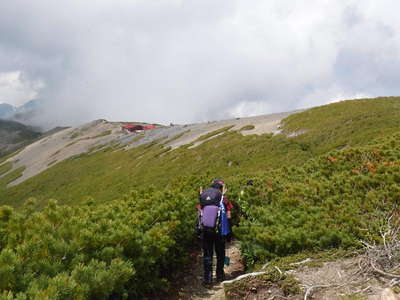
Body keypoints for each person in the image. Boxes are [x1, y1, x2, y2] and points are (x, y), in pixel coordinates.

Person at [197, 179, 233, 285]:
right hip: (219, 231)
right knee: (220, 253)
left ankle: (207, 280)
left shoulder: (204, 198)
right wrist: (229, 233)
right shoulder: (224, 200)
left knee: (208, 254)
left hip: (206, 230)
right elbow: (229, 216)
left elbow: (199, 214)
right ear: (221, 189)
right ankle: (220, 276)